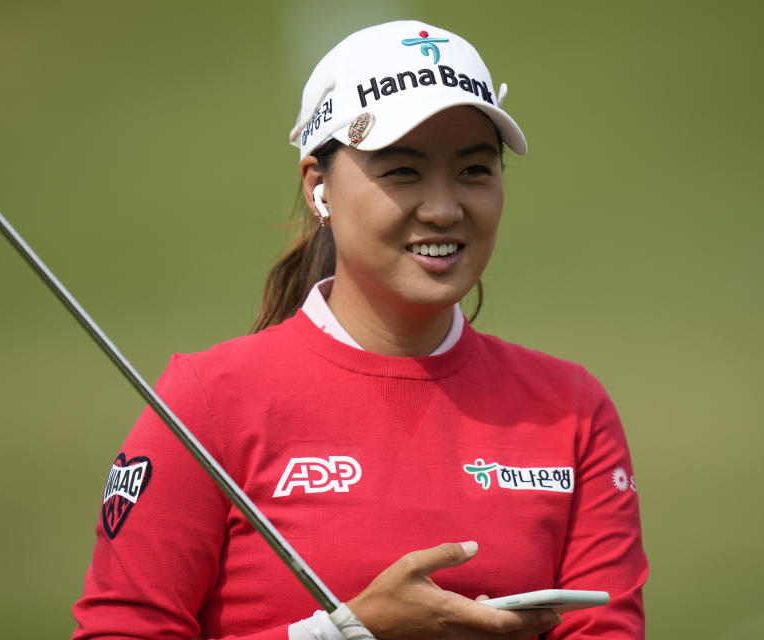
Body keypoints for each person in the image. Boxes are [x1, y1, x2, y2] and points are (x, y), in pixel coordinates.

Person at [72, 20, 647, 640]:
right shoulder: (206, 401)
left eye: (475, 170)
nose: (444, 208)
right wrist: (342, 633)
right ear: (319, 188)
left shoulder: (571, 410)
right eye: (402, 171)